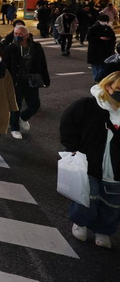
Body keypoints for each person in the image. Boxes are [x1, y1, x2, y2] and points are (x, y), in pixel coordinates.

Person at [60, 72, 120, 249]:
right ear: (107, 86)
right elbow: (68, 124)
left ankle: (103, 230)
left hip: (115, 169)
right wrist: (72, 149)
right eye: (118, 89)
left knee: (113, 203)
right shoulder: (88, 105)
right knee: (87, 196)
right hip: (89, 163)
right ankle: (81, 222)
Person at [4, 25, 50, 140]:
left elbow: (43, 63)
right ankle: (15, 128)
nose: (18, 36)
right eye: (15, 34)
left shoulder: (36, 47)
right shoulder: (11, 48)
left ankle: (23, 118)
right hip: (16, 81)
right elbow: (6, 66)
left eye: (21, 34)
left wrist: (46, 79)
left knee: (35, 104)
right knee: (16, 105)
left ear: (27, 35)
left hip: (31, 80)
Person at [87, 13, 117, 81]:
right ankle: (98, 79)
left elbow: (113, 38)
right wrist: (100, 38)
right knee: (97, 66)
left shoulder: (108, 28)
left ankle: (99, 79)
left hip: (104, 50)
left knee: (102, 66)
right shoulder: (94, 28)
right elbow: (89, 38)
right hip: (97, 50)